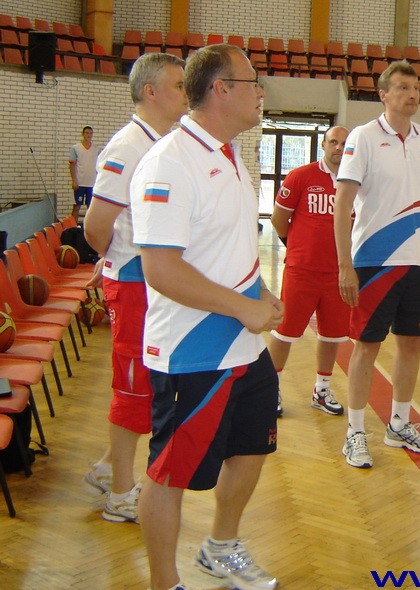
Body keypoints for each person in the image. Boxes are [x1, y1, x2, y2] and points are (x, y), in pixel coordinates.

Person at [130, 44, 283, 590]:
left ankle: (220, 547)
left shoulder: (231, 154)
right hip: (192, 351)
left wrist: (263, 291)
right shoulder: (170, 163)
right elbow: (162, 270)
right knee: (170, 473)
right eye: (252, 81)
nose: (260, 92)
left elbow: (226, 248)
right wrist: (245, 308)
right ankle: (164, 581)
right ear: (221, 89)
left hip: (244, 345)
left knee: (252, 448)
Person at [80, 53, 187, 524]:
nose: (186, 94)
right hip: (130, 281)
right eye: (179, 85)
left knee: (146, 382)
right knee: (133, 387)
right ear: (150, 91)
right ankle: (120, 494)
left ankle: (109, 468)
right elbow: (95, 225)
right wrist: (115, 261)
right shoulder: (128, 146)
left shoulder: (159, 142)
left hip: (147, 281)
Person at [334, 60, 420, 468]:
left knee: (411, 343)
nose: (411, 94)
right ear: (383, 95)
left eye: (415, 88)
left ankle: (399, 424)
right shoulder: (364, 137)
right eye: (402, 87)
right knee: (367, 346)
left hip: (418, 261)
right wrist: (344, 265)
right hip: (374, 260)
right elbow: (343, 204)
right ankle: (355, 431)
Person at [268, 126, 350, 418]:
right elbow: (279, 219)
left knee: (332, 336)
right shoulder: (301, 176)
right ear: (323, 145)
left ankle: (321, 390)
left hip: (338, 275)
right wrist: (295, 245)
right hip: (301, 271)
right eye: (333, 142)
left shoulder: (357, 181)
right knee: (285, 332)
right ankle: (270, 389)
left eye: (344, 143)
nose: (339, 148)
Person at [68, 125, 100, 219]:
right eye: (87, 133)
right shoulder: (75, 148)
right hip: (80, 183)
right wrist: (74, 180)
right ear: (82, 134)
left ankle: (90, 227)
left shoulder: (96, 149)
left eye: (91, 133)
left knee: (91, 208)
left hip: (92, 184)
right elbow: (72, 165)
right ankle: (74, 226)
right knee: (77, 206)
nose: (89, 135)